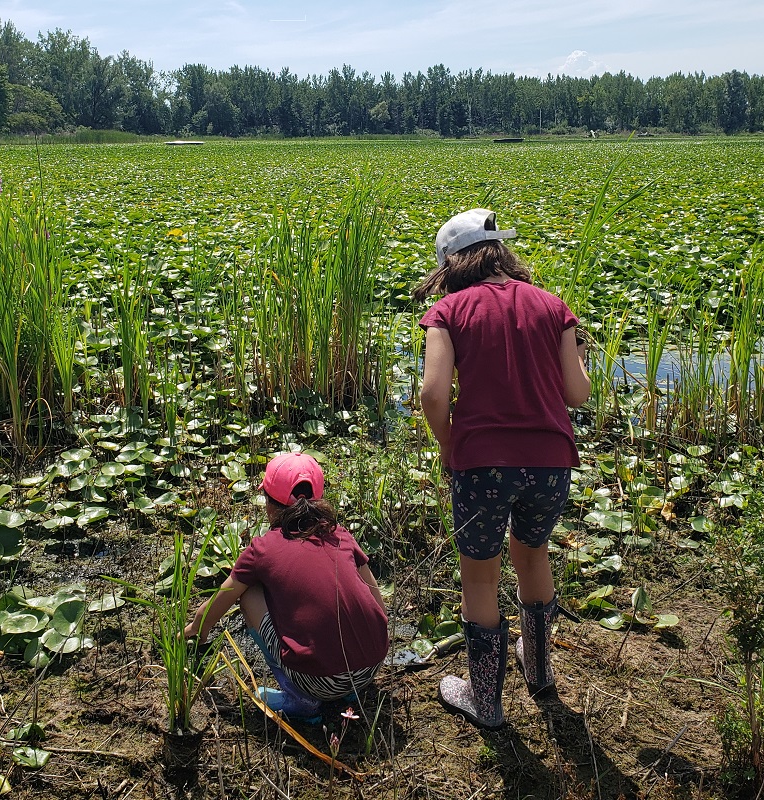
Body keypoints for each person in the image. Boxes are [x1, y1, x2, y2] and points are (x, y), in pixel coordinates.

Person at [414, 208, 590, 730]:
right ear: (500, 253)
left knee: (480, 575)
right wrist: (579, 352)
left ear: (451, 263)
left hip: (483, 464)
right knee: (533, 556)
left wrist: (452, 446)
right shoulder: (554, 306)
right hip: (552, 462)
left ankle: (485, 701)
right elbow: (576, 394)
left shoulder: (448, 311)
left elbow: (431, 393)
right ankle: (538, 673)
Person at [183, 452, 389, 722]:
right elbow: (377, 601)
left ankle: (301, 699)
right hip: (371, 667)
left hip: (318, 681)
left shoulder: (263, 548)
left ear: (270, 504)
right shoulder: (340, 535)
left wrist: (194, 630)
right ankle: (348, 694)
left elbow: (224, 596)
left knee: (250, 593)